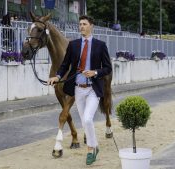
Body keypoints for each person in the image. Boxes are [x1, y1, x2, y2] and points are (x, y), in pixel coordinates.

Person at [47, 15, 112, 165]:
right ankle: (95, 146)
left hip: (93, 89)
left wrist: (95, 72)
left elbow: (107, 68)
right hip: (78, 90)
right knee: (85, 122)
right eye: (80, 24)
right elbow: (64, 65)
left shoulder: (100, 45)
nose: (81, 26)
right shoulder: (73, 45)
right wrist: (57, 76)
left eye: (84, 24)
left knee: (88, 119)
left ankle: (91, 149)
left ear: (91, 26)